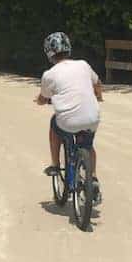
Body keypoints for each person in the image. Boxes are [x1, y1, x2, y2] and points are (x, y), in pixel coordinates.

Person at [34, 31, 103, 195]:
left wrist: (40, 101)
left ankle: (56, 165)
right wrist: (98, 96)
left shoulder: (49, 75)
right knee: (88, 144)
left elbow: (44, 98)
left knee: (54, 123)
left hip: (68, 122)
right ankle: (92, 177)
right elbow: (97, 83)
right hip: (92, 118)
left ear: (49, 53)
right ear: (68, 48)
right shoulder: (83, 65)